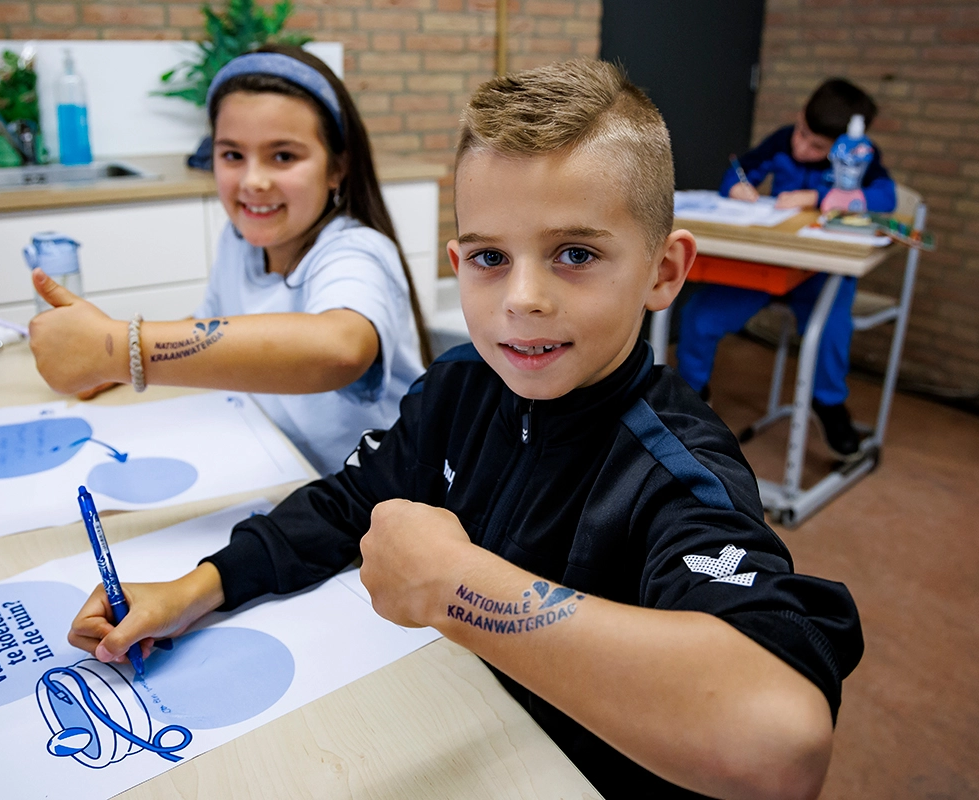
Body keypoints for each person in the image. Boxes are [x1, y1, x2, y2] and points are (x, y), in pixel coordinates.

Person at [68, 60, 863, 799]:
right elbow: (350, 504)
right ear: (456, 260)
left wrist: (458, 587)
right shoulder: (461, 385)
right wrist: (192, 590)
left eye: (575, 253)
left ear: (664, 271)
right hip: (463, 729)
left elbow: (780, 743)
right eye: (489, 257)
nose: (523, 298)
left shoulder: (675, 468)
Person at [28, 45, 430, 476]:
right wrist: (112, 368)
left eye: (284, 156)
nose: (253, 182)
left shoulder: (356, 251)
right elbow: (209, 325)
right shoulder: (238, 241)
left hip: (371, 499)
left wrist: (118, 349)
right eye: (232, 155)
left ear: (337, 168)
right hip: (279, 466)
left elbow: (339, 349)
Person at [676, 78, 897, 458]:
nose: (801, 146)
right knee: (700, 315)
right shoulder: (781, 141)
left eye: (817, 146)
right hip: (769, 269)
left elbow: (885, 197)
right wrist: (736, 188)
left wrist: (820, 196)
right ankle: (691, 395)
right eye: (801, 133)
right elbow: (741, 171)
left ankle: (828, 404)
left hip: (822, 275)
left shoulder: (860, 156)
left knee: (829, 329)